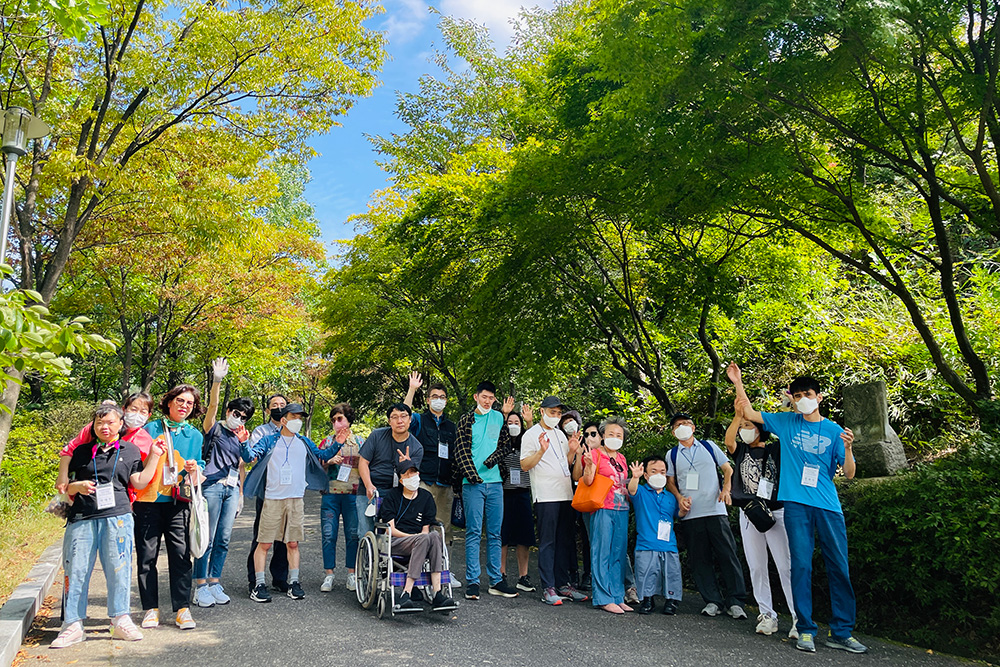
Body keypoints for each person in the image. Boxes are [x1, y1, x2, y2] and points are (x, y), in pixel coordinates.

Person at [729, 363, 867, 654]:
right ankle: (805, 629)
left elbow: (850, 473)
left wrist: (850, 449)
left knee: (839, 568)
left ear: (819, 397)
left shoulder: (833, 430)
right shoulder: (786, 422)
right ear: (791, 398)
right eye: (798, 394)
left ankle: (841, 632)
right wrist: (738, 382)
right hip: (796, 506)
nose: (803, 398)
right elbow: (750, 413)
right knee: (800, 566)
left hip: (828, 506)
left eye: (808, 393)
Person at [51, 404, 165, 648]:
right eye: (100, 422)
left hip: (118, 517)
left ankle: (120, 619)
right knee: (77, 569)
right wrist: (77, 487)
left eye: (111, 422)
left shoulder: (131, 450)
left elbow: (140, 482)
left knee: (119, 569)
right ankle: (72, 624)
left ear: (120, 424)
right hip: (82, 517)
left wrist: (155, 455)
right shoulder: (81, 452)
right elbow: (63, 487)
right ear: (93, 425)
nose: (105, 427)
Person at [242, 403, 338, 602]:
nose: (298, 421)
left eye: (300, 417)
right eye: (294, 417)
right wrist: (243, 443)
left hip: (296, 499)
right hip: (272, 499)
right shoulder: (269, 440)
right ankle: (259, 584)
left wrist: (338, 443)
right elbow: (251, 457)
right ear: (283, 419)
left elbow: (323, 456)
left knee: (293, 543)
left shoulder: (303, 441)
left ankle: (294, 583)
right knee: (265, 543)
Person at [724, 399, 798, 638]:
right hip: (749, 512)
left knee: (786, 566)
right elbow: (728, 441)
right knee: (757, 566)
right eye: (743, 426)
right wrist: (737, 416)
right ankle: (767, 614)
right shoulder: (741, 451)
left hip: (777, 510)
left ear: (760, 427)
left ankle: (798, 617)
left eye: (749, 425)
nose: (745, 429)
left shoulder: (777, 449)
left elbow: (791, 438)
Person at [136, 385, 206, 631]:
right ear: (169, 402)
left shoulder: (195, 435)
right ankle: (150, 609)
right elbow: (137, 462)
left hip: (178, 502)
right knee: (147, 558)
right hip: (149, 502)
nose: (184, 405)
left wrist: (193, 469)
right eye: (180, 400)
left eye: (189, 403)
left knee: (180, 555)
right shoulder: (150, 429)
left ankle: (182, 609)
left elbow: (200, 470)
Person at [665, 412, 747, 620]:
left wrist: (726, 489)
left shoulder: (709, 446)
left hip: (716, 509)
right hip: (691, 514)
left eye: (686, 423)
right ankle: (712, 601)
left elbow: (728, 469)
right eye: (677, 425)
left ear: (693, 427)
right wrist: (678, 497)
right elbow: (670, 481)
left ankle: (736, 601)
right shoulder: (671, 455)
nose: (682, 427)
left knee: (728, 555)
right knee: (700, 559)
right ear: (673, 432)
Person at [194, 358, 253, 608]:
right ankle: (200, 585)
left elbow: (247, 461)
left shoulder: (239, 436)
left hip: (230, 489)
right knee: (205, 538)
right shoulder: (214, 429)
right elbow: (212, 406)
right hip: (212, 488)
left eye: (243, 416)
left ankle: (214, 580)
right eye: (235, 413)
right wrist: (217, 381)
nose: (238, 418)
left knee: (224, 538)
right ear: (229, 412)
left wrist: (240, 493)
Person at [453, 381, 519, 600]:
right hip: (472, 483)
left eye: (491, 398)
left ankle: (496, 580)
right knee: (473, 532)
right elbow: (460, 451)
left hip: (496, 483)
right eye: (484, 397)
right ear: (476, 397)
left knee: (494, 533)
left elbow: (505, 445)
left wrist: (491, 462)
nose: (488, 401)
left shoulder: (499, 418)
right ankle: (472, 581)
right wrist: (472, 475)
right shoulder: (466, 420)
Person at [520, 396, 587, 605]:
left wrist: (573, 451)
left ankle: (563, 584)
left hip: (565, 494)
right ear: (542, 412)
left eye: (558, 413)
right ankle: (548, 586)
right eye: (552, 412)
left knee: (564, 541)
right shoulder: (530, 435)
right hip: (545, 496)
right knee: (548, 542)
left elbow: (564, 464)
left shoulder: (560, 434)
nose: (555, 417)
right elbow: (524, 465)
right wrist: (541, 450)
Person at [378, 466, 458, 612]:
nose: (411, 476)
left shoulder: (425, 497)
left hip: (421, 542)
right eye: (407, 474)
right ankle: (406, 592)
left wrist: (419, 538)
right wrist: (414, 538)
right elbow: (391, 530)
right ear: (401, 480)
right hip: (396, 541)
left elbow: (425, 530)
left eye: (413, 472)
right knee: (423, 539)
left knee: (434, 535)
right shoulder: (392, 496)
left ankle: (437, 593)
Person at [403, 373, 459, 556]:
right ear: (428, 400)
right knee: (420, 525)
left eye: (442, 397)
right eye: (434, 397)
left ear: (447, 401)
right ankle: (418, 567)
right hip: (423, 481)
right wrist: (412, 389)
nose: (438, 400)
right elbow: (404, 414)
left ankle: (443, 569)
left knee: (444, 529)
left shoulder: (452, 427)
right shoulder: (419, 420)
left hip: (445, 483)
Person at [55, 393, 155, 493]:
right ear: (124, 409)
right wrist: (62, 477)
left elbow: (141, 471)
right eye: (133, 409)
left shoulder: (145, 439)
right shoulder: (99, 427)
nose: (137, 415)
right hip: (86, 490)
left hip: (121, 495)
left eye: (143, 412)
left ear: (149, 415)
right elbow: (69, 450)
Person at [581, 416, 632, 614]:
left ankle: (617, 596)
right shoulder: (595, 454)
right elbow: (587, 481)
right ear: (603, 435)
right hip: (602, 507)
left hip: (621, 508)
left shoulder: (621, 458)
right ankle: (603, 596)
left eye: (619, 435)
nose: (615, 437)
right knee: (601, 551)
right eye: (611, 433)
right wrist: (588, 466)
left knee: (618, 553)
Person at [628, 454, 688, 615]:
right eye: (653, 471)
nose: (658, 475)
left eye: (662, 472)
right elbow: (631, 491)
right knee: (646, 572)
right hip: (646, 543)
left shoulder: (671, 496)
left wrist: (684, 508)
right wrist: (635, 477)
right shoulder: (641, 492)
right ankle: (647, 600)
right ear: (646, 475)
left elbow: (678, 514)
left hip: (669, 543)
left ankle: (672, 601)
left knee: (672, 573)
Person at [357, 403, 425, 541]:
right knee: (364, 533)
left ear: (410, 419)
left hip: (397, 493)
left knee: (393, 533)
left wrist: (407, 465)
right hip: (370, 489)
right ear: (389, 421)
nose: (399, 421)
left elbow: (412, 478)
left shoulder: (417, 447)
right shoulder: (377, 435)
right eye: (394, 417)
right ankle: (365, 560)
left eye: (403, 416)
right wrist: (369, 485)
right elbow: (363, 462)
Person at [246, 393, 290, 594]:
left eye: (282, 404)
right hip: (267, 490)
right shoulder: (261, 432)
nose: (279, 407)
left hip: (288, 491)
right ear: (267, 410)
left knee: (284, 536)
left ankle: (280, 578)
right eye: (274, 405)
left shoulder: (293, 431)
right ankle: (255, 579)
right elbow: (253, 456)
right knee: (262, 536)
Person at [317, 402, 363, 592]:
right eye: (334, 419)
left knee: (353, 534)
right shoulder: (326, 442)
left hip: (353, 495)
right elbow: (315, 467)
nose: (337, 422)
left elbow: (368, 466)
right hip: (330, 495)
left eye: (340, 418)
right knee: (329, 534)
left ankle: (351, 573)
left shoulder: (361, 442)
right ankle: (329, 574)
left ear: (349, 420)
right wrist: (327, 462)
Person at [500, 407, 535, 592]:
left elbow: (536, 442)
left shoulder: (526, 443)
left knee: (524, 536)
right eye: (510, 422)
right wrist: (504, 416)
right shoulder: (501, 443)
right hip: (504, 493)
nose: (513, 425)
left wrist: (529, 421)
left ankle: (523, 576)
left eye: (517, 423)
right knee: (503, 535)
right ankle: (502, 573)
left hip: (523, 492)